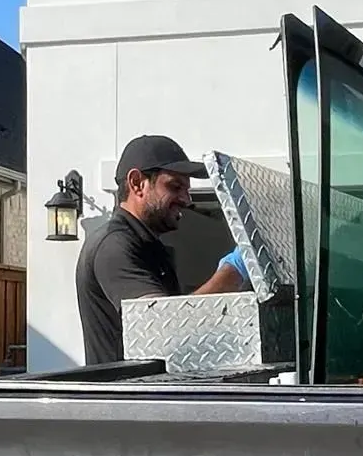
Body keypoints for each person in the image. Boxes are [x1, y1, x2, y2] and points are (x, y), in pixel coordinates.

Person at [76, 134, 249, 365]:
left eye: (186, 190)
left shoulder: (146, 245)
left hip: (146, 395)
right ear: (137, 183)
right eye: (175, 186)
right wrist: (232, 272)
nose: (186, 199)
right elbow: (165, 331)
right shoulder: (114, 247)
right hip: (125, 398)